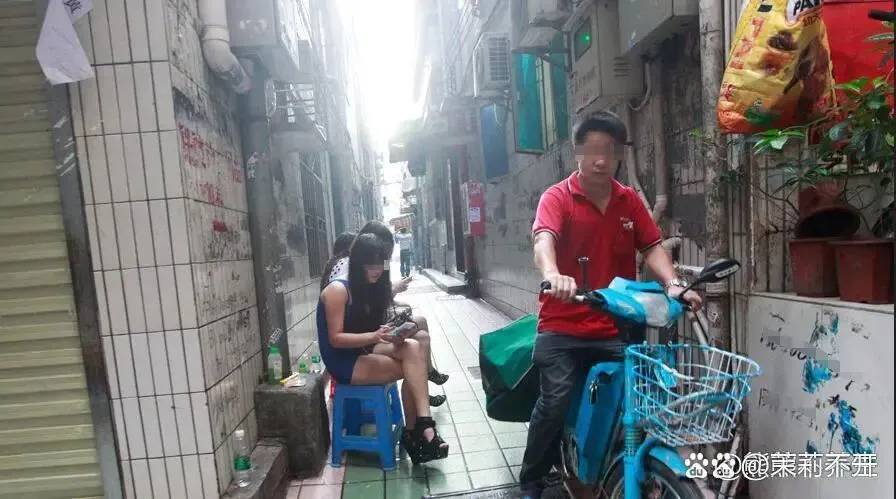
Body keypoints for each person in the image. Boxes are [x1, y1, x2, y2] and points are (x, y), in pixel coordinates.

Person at [519, 110, 703, 498]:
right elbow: (543, 240)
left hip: (614, 325)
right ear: (578, 152)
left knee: (640, 397)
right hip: (562, 325)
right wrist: (553, 274)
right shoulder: (558, 197)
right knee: (554, 402)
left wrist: (673, 284)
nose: (600, 160)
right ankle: (532, 477)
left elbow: (652, 246)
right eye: (592, 150)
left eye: (609, 151)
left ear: (619, 154)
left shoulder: (628, 200)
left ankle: (622, 469)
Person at [317, 234, 449, 464]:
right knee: (414, 367)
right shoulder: (337, 290)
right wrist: (376, 335)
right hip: (344, 360)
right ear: (358, 263)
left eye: (381, 264)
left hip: (365, 347)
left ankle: (423, 426)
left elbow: (369, 326)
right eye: (371, 265)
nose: (377, 270)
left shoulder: (370, 287)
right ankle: (416, 434)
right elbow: (336, 339)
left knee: (414, 347)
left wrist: (393, 332)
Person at [321, 221, 451, 405]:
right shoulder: (347, 272)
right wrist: (379, 328)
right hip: (356, 344)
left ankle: (423, 402)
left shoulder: (379, 264)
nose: (384, 263)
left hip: (369, 333)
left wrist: (393, 304)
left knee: (420, 337)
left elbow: (379, 296)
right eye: (384, 254)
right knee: (414, 361)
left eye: (387, 256)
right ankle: (422, 386)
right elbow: (349, 319)